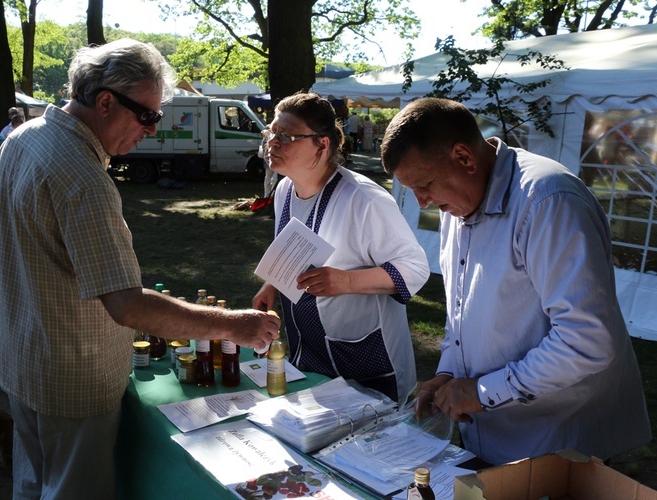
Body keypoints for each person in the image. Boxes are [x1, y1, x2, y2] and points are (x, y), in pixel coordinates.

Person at [0, 38, 279, 499]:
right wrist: (235, 326)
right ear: (105, 102)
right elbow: (127, 304)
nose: (152, 129)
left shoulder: (22, 138)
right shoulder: (84, 178)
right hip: (72, 381)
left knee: (32, 483)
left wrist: (9, 322)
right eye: (148, 115)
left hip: (23, 363)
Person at [381, 97, 651, 465]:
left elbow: (586, 340)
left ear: (464, 157)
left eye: (424, 185)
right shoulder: (456, 205)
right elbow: (461, 310)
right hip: (494, 435)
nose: (423, 202)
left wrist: (481, 391)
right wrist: (447, 373)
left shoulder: (547, 201)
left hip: (561, 445)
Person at [252, 92, 429, 405]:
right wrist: (273, 285)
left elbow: (415, 268)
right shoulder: (285, 190)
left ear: (322, 145)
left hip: (366, 357)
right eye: (271, 134)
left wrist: (348, 282)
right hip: (310, 349)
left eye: (286, 136)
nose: (273, 144)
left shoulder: (364, 200)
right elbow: (297, 247)